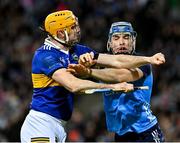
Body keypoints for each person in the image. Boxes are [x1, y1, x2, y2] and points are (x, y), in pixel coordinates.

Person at [20, 9, 164, 142]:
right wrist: (111, 85)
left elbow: (116, 61)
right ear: (60, 34)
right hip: (41, 124)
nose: (78, 30)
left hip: (61, 126)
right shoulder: (45, 56)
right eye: (73, 28)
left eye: (76, 25)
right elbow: (73, 85)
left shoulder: (77, 51)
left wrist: (149, 59)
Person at [68, 22, 165, 142]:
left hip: (146, 132)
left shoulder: (143, 64)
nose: (121, 42)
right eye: (116, 37)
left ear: (133, 41)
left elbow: (121, 76)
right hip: (121, 135)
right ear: (109, 43)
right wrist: (82, 63)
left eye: (126, 37)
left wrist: (89, 72)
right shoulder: (101, 64)